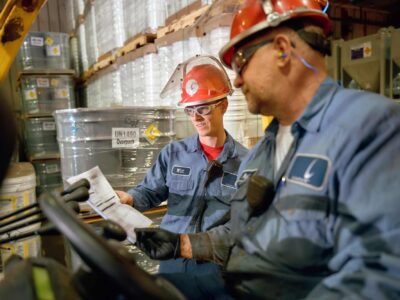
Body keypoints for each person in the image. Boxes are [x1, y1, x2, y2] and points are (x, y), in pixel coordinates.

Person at [134, 0, 400, 299]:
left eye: (241, 63)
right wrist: (183, 244)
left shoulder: (369, 127)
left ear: (283, 50)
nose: (237, 80)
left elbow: (383, 270)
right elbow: (242, 232)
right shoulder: (263, 152)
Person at [116, 55, 248, 275]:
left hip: (217, 267)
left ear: (223, 105)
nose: (196, 117)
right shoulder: (173, 153)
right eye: (190, 110)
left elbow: (245, 224)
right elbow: (150, 191)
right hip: (172, 262)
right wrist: (130, 198)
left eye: (203, 108)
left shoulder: (246, 162)